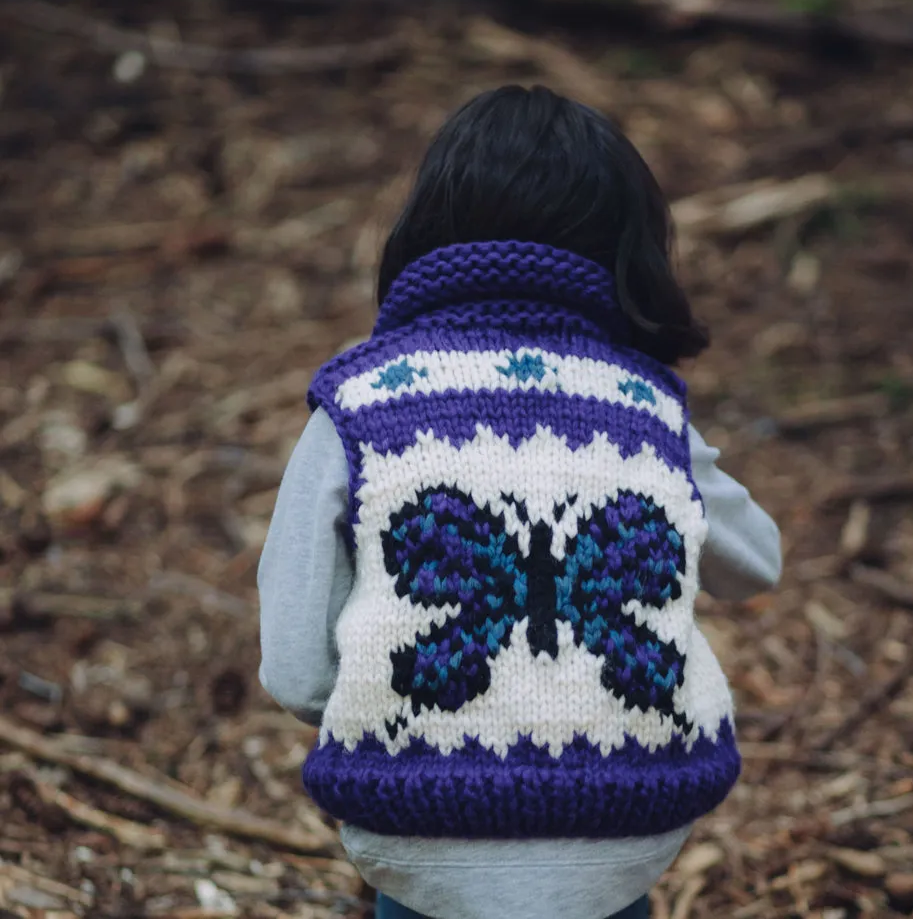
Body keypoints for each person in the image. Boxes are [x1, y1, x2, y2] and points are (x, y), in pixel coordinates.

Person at [258, 85, 782, 919]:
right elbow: (758, 562)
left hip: (419, 826)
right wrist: (672, 433)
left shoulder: (360, 401)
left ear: (424, 226)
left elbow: (291, 666)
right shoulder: (643, 409)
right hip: (625, 818)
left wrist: (388, 708)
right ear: (629, 246)